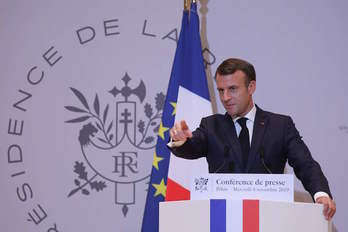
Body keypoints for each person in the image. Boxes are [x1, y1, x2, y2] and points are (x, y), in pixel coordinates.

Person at [169, 58, 336, 220]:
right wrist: (181, 141)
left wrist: (320, 194)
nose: (225, 97)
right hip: (223, 220)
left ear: (251, 87)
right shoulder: (211, 126)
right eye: (221, 90)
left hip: (269, 220)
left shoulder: (280, 126)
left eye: (232, 89)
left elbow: (305, 164)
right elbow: (192, 146)